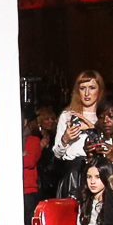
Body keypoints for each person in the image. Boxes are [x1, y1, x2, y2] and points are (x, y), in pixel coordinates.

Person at [46, 70, 107, 200]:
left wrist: (92, 128)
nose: (87, 93)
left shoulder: (105, 117)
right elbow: (57, 154)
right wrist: (65, 139)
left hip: (99, 174)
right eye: (82, 88)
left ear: (99, 89)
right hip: (73, 175)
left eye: (92, 88)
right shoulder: (67, 116)